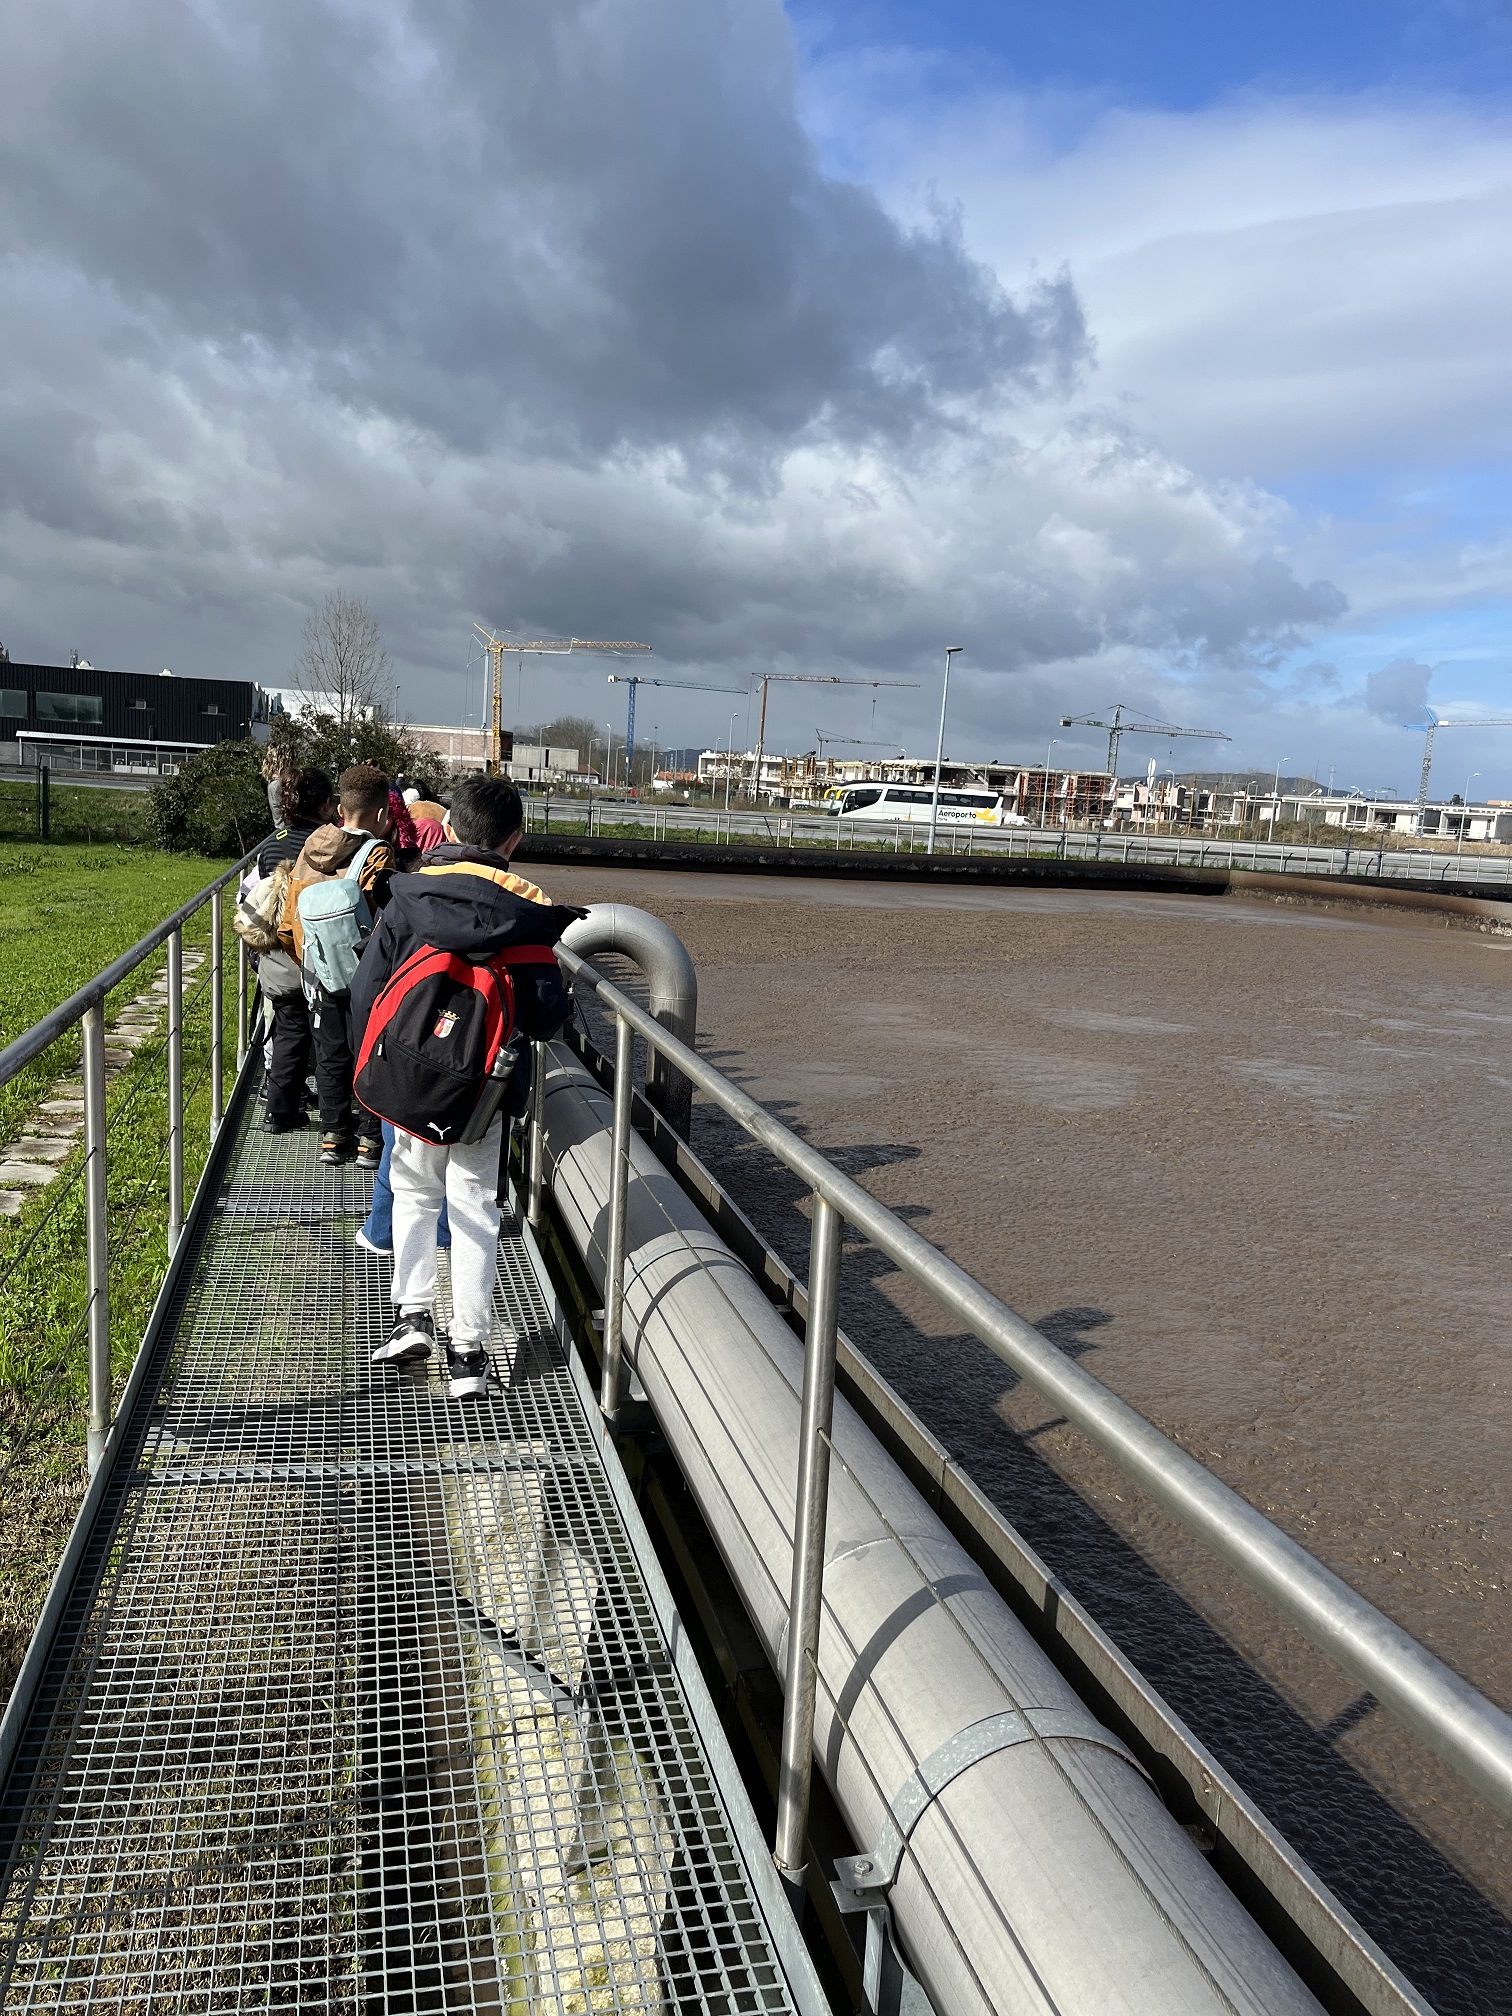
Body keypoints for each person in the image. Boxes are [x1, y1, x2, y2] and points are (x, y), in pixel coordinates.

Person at [351, 773, 578, 1399]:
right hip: (485, 1091)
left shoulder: (409, 895)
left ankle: (411, 1318)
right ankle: (469, 1354)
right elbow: (545, 1018)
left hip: (409, 1078)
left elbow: (367, 992)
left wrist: (373, 1073)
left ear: (449, 828)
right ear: (515, 841)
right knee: (475, 1207)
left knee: (414, 1192)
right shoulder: (528, 911)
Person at [280, 762, 395, 1167]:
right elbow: (388, 918)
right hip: (366, 976)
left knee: (329, 1055)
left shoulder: (310, 849)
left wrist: (309, 961)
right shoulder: (378, 854)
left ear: (340, 808)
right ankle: (369, 1140)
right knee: (369, 1053)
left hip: (319, 973)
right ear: (381, 814)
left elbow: (288, 921)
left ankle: (333, 1135)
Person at [255, 766, 335, 1134]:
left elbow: (265, 899)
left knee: (288, 1032)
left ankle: (280, 1112)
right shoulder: (334, 842)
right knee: (332, 1037)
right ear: (325, 805)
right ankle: (336, 1120)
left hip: (280, 957)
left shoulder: (271, 845)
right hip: (323, 957)